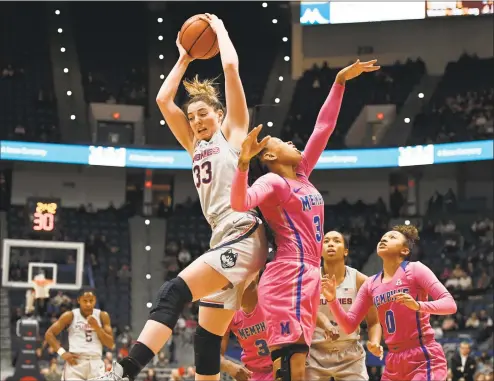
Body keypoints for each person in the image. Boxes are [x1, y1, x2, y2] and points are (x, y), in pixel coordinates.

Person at [96, 13, 268, 381]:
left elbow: (232, 68)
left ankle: (124, 373)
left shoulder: (232, 133)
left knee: (173, 292)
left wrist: (219, 27)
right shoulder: (194, 145)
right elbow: (162, 99)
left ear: (219, 113)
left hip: (244, 231)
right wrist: (184, 58)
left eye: (203, 113)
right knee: (206, 339)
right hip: (222, 235)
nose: (196, 121)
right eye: (191, 117)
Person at [230, 59, 380, 381]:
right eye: (283, 143)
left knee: (299, 364)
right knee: (291, 365)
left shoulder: (301, 175)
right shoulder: (273, 183)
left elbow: (322, 129)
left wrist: (339, 82)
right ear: (269, 157)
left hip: (308, 271)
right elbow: (240, 202)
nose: (293, 144)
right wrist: (243, 164)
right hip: (290, 271)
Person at [321, 225, 457, 381]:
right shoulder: (370, 284)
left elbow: (450, 304)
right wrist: (332, 300)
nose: (384, 239)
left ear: (404, 251)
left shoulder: (415, 270)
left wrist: (419, 306)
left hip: (423, 355)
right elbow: (349, 325)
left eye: (392, 237)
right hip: (393, 360)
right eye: (383, 238)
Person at [307, 231, 382, 381]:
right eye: (326, 241)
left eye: (336, 241)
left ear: (345, 251)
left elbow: (374, 321)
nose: (330, 244)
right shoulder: (310, 279)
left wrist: (374, 342)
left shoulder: (360, 280)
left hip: (350, 353)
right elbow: (305, 314)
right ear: (320, 251)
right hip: (315, 353)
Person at [45, 288, 114, 380]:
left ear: (95, 300)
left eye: (91, 301)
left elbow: (110, 344)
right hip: (75, 362)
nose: (88, 304)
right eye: (85, 301)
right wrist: (63, 353)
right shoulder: (70, 315)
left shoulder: (103, 316)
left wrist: (97, 327)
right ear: (79, 300)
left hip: (96, 363)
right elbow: (49, 334)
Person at [220, 276, 272, 381]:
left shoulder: (271, 297)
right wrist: (228, 365)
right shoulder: (229, 313)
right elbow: (213, 354)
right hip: (252, 373)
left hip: (280, 367)